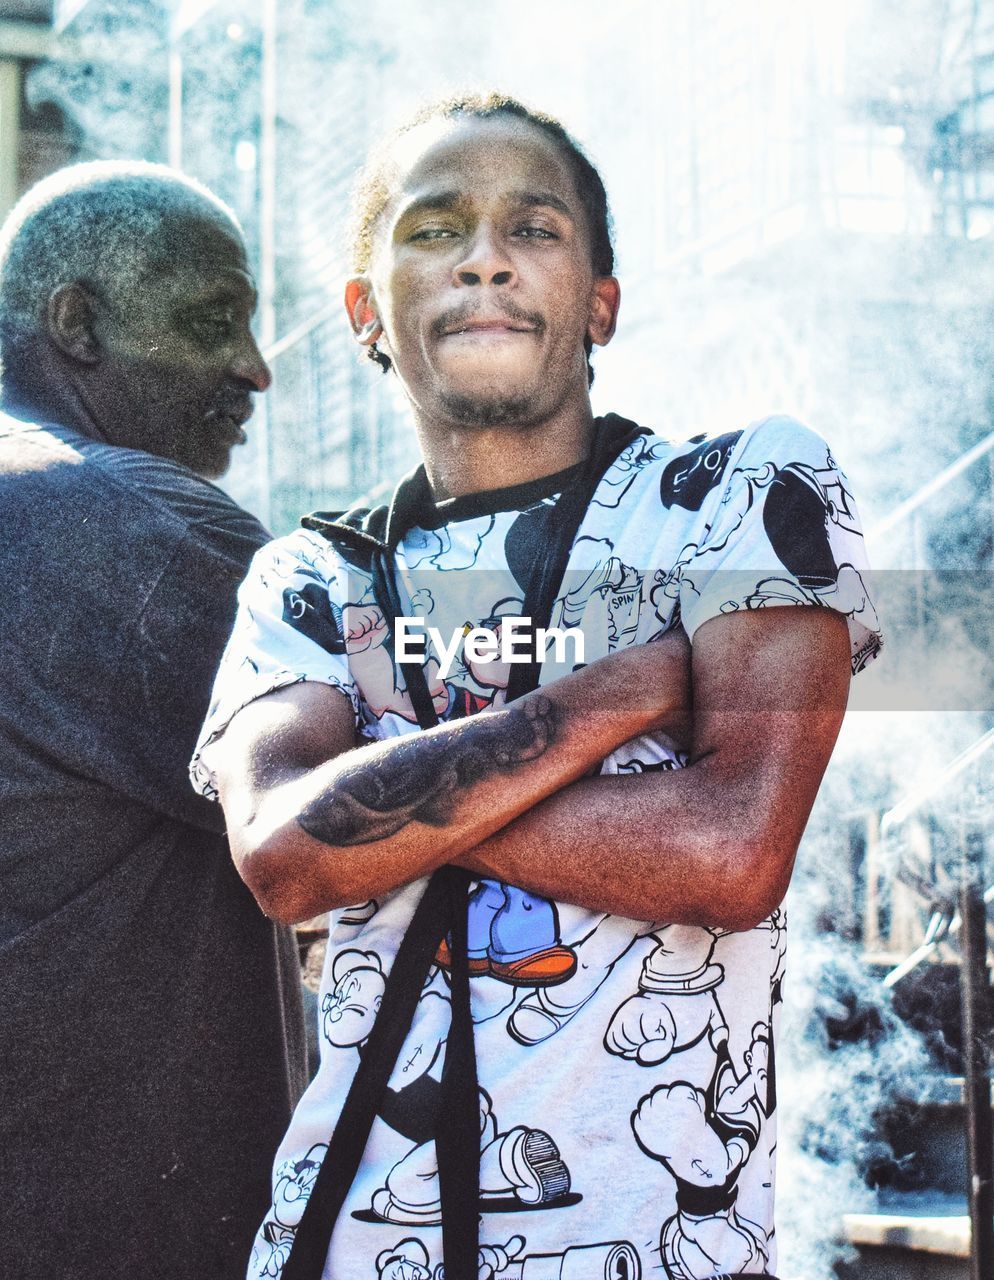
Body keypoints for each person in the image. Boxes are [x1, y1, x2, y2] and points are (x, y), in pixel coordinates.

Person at [193, 95, 882, 1280]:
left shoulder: (735, 493)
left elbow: (728, 852)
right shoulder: (312, 571)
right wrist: (625, 689)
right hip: (351, 1241)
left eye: (536, 227)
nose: (484, 256)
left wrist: (389, 813)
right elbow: (283, 857)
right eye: (434, 228)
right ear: (368, 311)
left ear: (600, 301)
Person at [0, 162, 307, 1280]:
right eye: (210, 320)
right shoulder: (112, 518)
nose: (253, 367)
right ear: (78, 324)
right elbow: (441, 677)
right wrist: (756, 615)